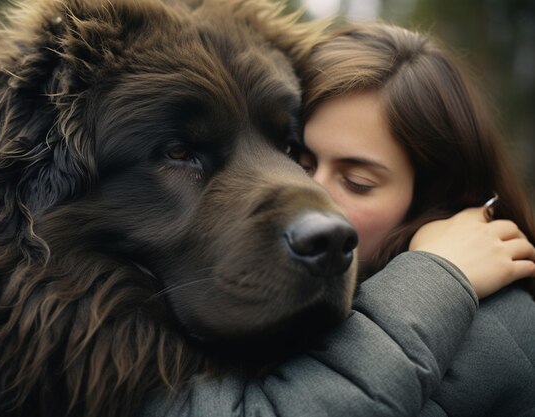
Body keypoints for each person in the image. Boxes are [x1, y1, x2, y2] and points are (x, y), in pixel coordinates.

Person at [137, 23, 535, 416]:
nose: (311, 199)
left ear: (440, 200)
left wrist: (438, 277)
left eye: (358, 182)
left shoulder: (499, 333)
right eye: (295, 159)